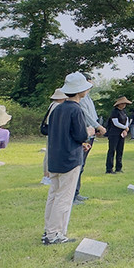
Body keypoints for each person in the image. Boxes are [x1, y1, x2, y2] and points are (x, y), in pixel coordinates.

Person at [43, 72, 93, 245]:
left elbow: (58, 133)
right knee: (64, 197)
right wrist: (90, 132)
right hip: (70, 159)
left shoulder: (57, 108)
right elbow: (80, 135)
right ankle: (54, 234)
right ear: (80, 91)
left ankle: (48, 230)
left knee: (53, 195)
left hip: (55, 157)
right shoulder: (75, 109)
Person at [74, 80, 106, 204]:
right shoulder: (79, 99)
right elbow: (86, 115)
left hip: (91, 132)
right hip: (84, 132)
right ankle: (73, 195)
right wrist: (97, 126)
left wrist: (97, 127)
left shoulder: (88, 98)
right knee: (78, 165)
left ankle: (76, 192)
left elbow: (93, 114)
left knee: (82, 165)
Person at [105, 96, 131, 174]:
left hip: (121, 134)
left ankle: (118, 168)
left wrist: (126, 127)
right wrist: (125, 127)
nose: (124, 105)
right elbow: (115, 123)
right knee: (112, 150)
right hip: (114, 133)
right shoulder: (114, 112)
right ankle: (109, 169)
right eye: (122, 104)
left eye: (125, 104)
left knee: (120, 151)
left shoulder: (124, 111)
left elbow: (127, 119)